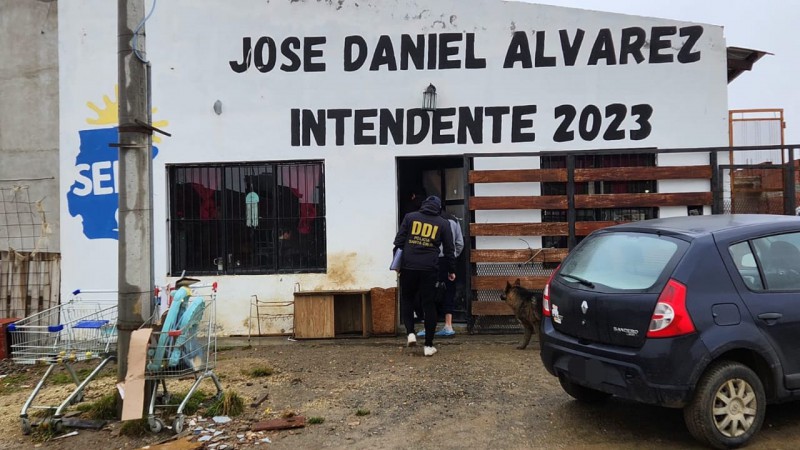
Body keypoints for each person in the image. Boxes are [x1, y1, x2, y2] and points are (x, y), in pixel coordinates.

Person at [393, 195, 456, 356]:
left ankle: (410, 333)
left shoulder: (410, 217)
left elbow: (398, 242)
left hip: (409, 266)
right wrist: (451, 270)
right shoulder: (443, 223)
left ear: (423, 205)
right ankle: (428, 346)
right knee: (429, 304)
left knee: (407, 299)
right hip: (430, 268)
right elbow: (449, 250)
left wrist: (398, 265)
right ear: (439, 208)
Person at [418, 209, 464, 338]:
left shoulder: (427, 220)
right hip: (449, 260)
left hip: (431, 259)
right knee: (449, 290)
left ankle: (428, 327)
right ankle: (448, 326)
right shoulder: (453, 219)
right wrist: (453, 256)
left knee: (428, 291)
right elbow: (460, 243)